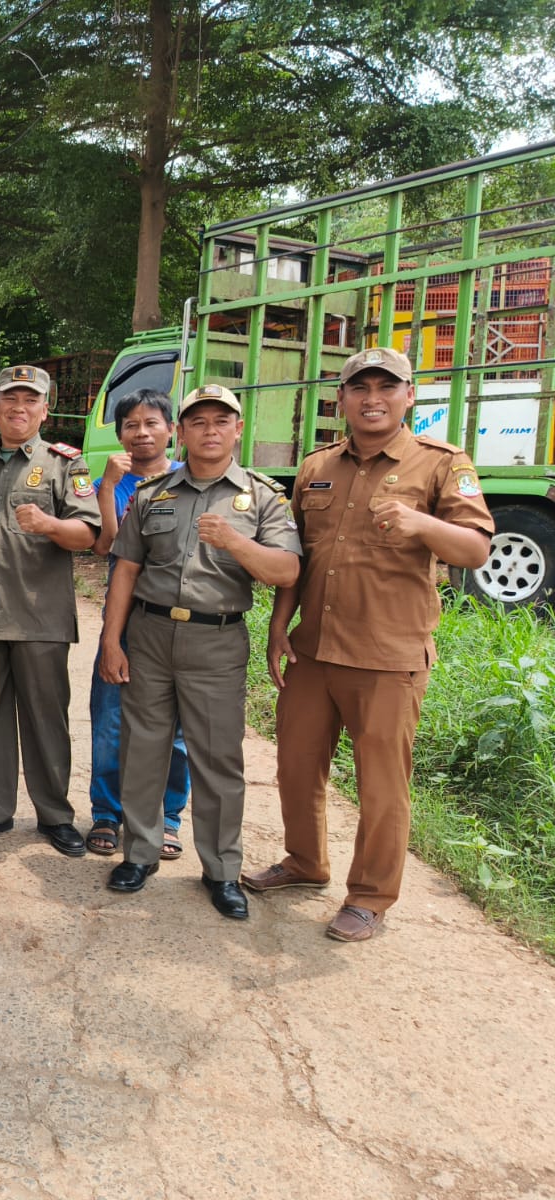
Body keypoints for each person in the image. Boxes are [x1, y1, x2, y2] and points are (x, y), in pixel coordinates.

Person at [244, 346, 493, 942]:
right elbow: (295, 559)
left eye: (387, 387)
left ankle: (370, 897)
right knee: (296, 768)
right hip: (314, 651)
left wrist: (423, 525)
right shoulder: (316, 466)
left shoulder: (439, 464)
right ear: (343, 399)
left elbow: (477, 550)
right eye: (360, 387)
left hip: (388, 657)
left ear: (409, 396)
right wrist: (279, 627)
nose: (372, 398)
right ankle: (306, 863)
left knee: (382, 785)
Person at [98, 383, 301, 919]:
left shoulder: (263, 497)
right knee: (144, 749)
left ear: (238, 429)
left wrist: (236, 541)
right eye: (198, 422)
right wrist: (110, 640)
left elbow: (287, 571)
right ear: (181, 432)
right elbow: (126, 569)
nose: (210, 431)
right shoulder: (153, 493)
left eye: (221, 422)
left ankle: (221, 870)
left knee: (217, 758)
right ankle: (138, 854)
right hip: (149, 635)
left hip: (217, 640)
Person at [0, 364, 99, 852]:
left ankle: (54, 814)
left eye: (30, 400)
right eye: (10, 398)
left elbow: (89, 535)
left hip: (39, 617)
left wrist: (50, 524)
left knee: (44, 718)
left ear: (44, 410)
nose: (19, 407)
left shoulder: (64, 466)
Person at [87, 389, 192, 859]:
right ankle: (107, 815)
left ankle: (167, 816)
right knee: (111, 717)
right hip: (124, 616)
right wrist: (109, 487)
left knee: (177, 724)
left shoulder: (190, 481)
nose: (142, 433)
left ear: (172, 430)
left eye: (152, 423)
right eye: (131, 424)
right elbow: (107, 546)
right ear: (120, 433)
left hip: (178, 618)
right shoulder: (112, 481)